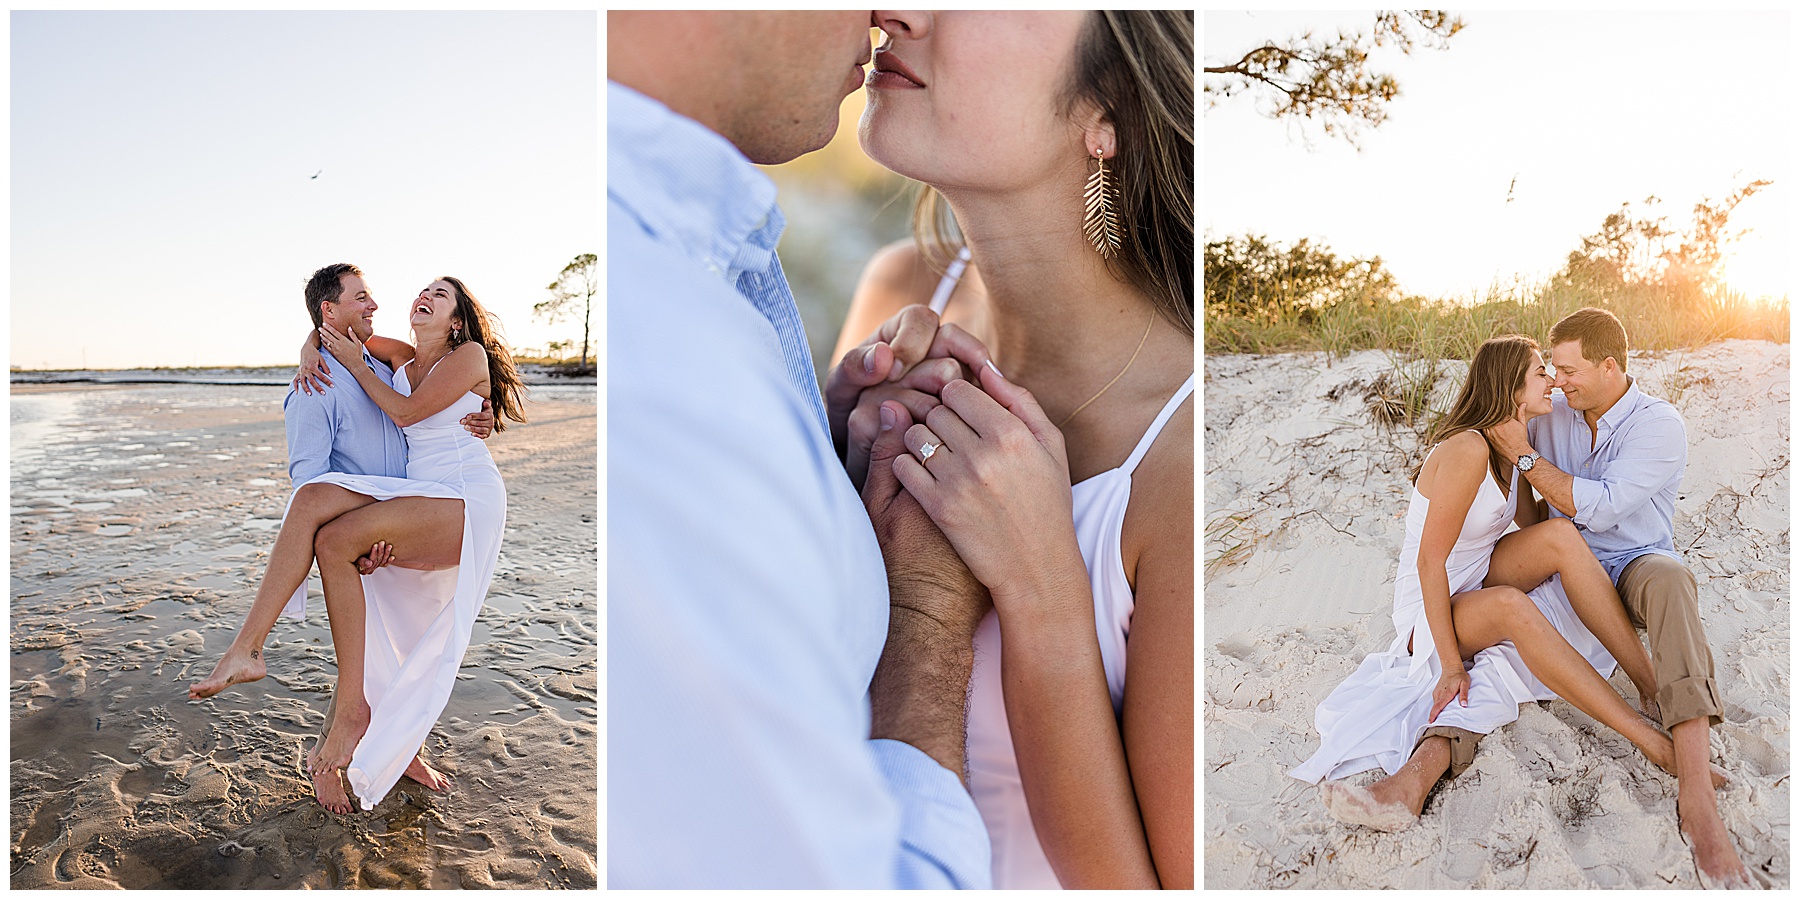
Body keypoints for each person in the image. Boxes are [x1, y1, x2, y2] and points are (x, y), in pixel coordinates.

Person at [608, 11, 991, 889]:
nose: (889, 13)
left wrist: (815, 470)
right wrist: (925, 632)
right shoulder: (669, 370)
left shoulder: (703, 275)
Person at [824, 11, 1193, 888]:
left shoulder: (1179, 466)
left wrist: (1043, 592)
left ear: (1109, 109)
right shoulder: (901, 287)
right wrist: (831, 452)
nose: (897, 12)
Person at [1289, 336, 1715, 834]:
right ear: (1512, 387)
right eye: (1541, 373)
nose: (1553, 381)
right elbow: (1430, 563)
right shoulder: (1469, 447)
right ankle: (1648, 740)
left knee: (1559, 536)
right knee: (1514, 607)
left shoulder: (1509, 446)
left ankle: (1648, 684)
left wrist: (1526, 456)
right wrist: (1450, 665)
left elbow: (1531, 527)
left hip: (1477, 572)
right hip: (1434, 600)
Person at [187, 264, 494, 805]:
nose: (422, 294)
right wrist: (314, 350)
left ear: (457, 319)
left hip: (462, 498)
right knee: (325, 529)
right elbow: (331, 329)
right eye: (423, 289)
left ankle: (337, 707)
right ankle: (257, 654)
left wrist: (354, 363)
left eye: (439, 294)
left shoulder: (465, 355)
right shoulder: (397, 356)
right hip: (410, 497)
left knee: (342, 551)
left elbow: (404, 411)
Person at [1484, 308, 1755, 889]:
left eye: (1569, 369)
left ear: (1610, 366)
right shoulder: (1553, 411)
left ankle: (1696, 792)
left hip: (1633, 563)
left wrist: (1529, 459)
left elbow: (1602, 506)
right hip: (1566, 567)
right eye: (1552, 370)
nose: (1558, 382)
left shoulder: (1659, 425)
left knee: (1672, 581)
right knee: (1495, 640)